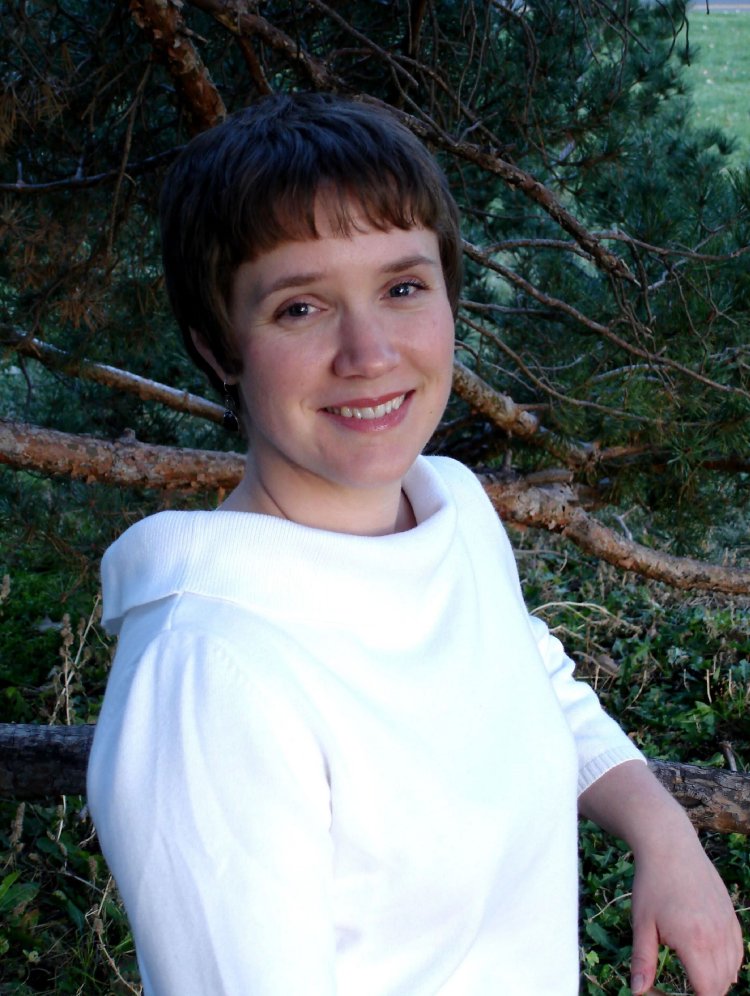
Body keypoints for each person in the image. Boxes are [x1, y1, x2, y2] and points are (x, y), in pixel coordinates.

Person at [87, 92, 742, 995]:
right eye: (300, 308)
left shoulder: (450, 505)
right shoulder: (209, 675)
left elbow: (527, 673)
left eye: (401, 288)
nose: (369, 353)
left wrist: (662, 831)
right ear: (218, 348)